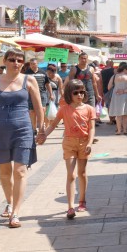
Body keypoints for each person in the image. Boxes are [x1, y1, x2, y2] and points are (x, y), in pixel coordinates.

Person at [0, 49, 44, 229]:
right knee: (5, 172)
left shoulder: (30, 80)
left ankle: (15, 213)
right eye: (12, 60)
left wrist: (41, 129)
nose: (16, 63)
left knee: (19, 171)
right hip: (1, 131)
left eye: (20, 60)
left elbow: (39, 107)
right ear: (4, 61)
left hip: (23, 130)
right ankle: (10, 201)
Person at [38, 79, 95, 218]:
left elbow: (92, 128)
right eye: (76, 92)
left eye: (82, 92)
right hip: (69, 143)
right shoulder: (64, 109)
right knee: (71, 174)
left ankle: (82, 200)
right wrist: (44, 135)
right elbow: (53, 125)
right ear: (70, 94)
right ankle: (70, 207)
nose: (79, 95)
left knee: (81, 173)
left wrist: (90, 143)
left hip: (83, 143)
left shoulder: (89, 109)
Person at [72, 52, 101, 131]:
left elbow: (94, 82)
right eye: (82, 58)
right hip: (78, 94)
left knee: (91, 113)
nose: (83, 60)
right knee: (79, 113)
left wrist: (97, 94)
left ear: (87, 59)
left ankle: (91, 134)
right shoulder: (74, 69)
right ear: (79, 59)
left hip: (90, 93)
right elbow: (70, 82)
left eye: (85, 58)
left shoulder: (91, 69)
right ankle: (82, 131)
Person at [22, 57, 50, 129]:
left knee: (42, 110)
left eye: (34, 64)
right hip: (30, 95)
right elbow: (23, 85)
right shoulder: (26, 74)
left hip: (42, 94)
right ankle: (34, 128)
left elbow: (47, 84)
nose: (33, 65)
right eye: (31, 64)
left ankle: (41, 127)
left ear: (37, 64)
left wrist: (51, 94)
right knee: (32, 112)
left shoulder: (43, 73)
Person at [108, 62, 127, 135]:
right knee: (125, 114)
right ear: (125, 69)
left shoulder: (114, 76)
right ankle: (125, 130)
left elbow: (109, 87)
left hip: (116, 96)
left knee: (118, 115)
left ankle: (119, 130)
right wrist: (124, 91)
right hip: (126, 96)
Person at [101, 59, 117, 125]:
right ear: (111, 64)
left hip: (105, 89)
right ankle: (113, 118)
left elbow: (100, 81)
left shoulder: (102, 71)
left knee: (108, 105)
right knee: (114, 104)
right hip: (113, 89)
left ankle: (111, 119)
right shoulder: (114, 71)